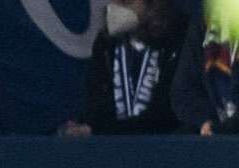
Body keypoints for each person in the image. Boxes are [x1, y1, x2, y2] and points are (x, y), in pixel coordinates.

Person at [59, 0, 186, 136]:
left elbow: (168, 112)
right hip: (112, 147)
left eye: (126, 3)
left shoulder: (180, 39)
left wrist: (99, 130)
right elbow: (97, 102)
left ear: (153, 5)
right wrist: (87, 125)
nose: (116, 9)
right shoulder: (105, 44)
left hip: (167, 145)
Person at [172, 0, 239, 135]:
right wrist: (205, 120)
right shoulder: (204, 19)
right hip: (216, 135)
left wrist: (222, 129)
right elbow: (183, 89)